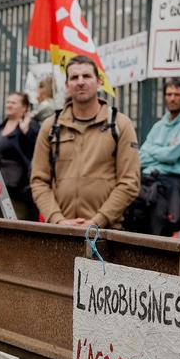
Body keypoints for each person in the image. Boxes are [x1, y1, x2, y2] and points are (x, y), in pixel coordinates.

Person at [30, 55, 140, 229]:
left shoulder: (120, 124)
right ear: (67, 86)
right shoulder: (50, 126)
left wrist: (98, 220)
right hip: (61, 230)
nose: (80, 82)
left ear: (99, 81)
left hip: (106, 232)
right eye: (74, 77)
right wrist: (57, 219)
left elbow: (129, 182)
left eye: (87, 76)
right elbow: (39, 181)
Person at [129, 80, 180, 236]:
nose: (172, 98)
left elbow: (171, 155)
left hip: (172, 186)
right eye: (169, 94)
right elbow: (140, 156)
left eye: (177, 94)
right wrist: (163, 152)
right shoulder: (159, 126)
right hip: (147, 182)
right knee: (137, 227)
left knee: (160, 233)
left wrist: (154, 151)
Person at [0, 91, 39, 220]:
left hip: (18, 193)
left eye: (13, 102)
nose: (9, 105)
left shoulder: (30, 126)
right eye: (7, 102)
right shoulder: (0, 128)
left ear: (24, 108)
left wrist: (26, 132)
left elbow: (37, 150)